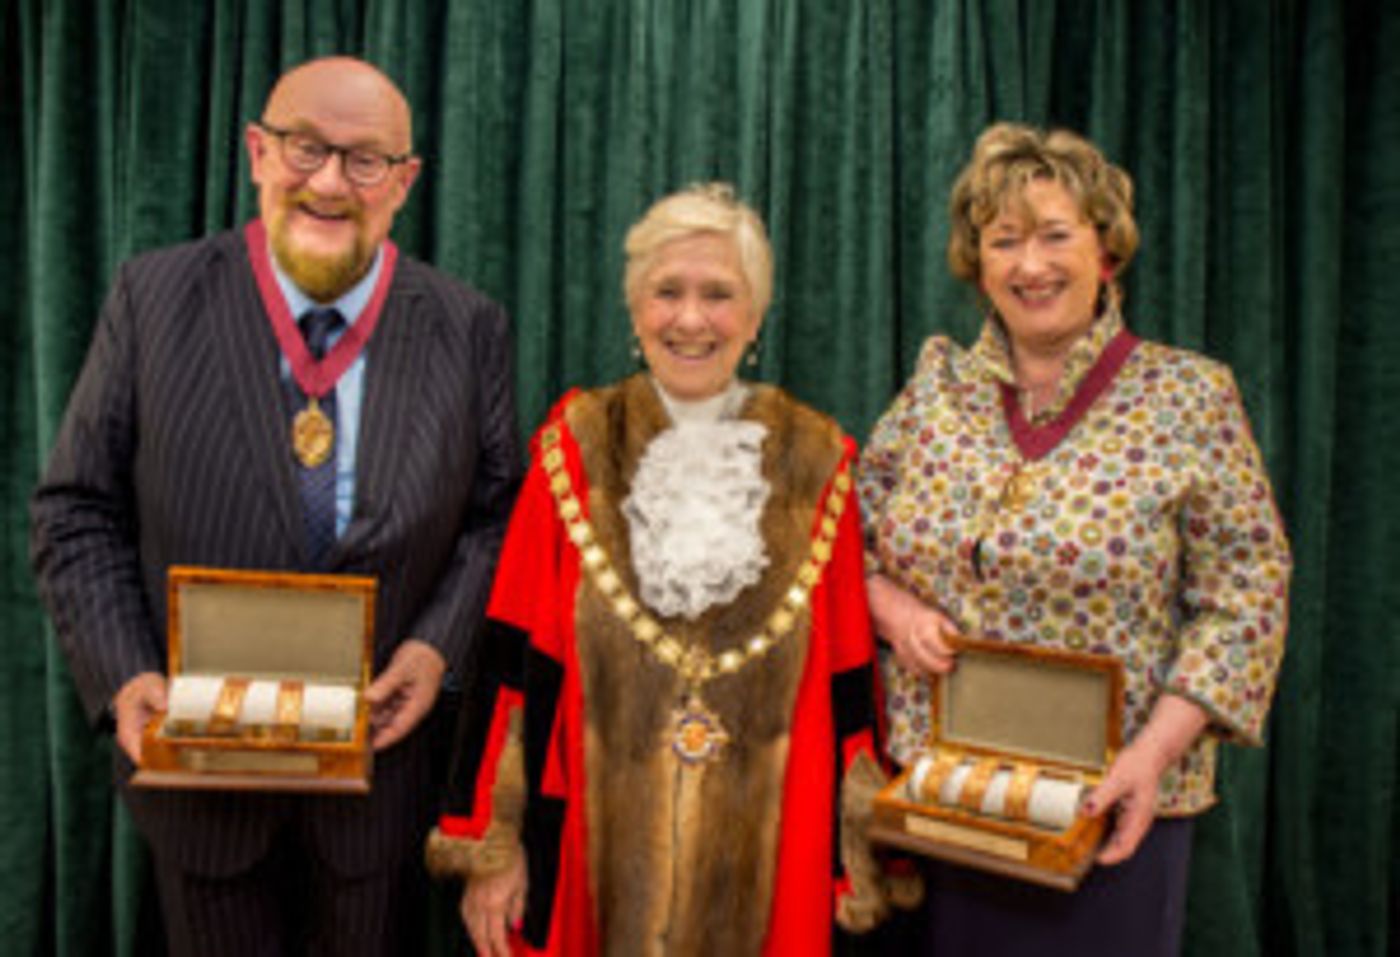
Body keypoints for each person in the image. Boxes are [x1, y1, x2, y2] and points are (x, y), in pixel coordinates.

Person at [30, 56, 522, 956]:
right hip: (200, 777)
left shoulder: (467, 326)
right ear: (258, 151)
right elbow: (76, 510)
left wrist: (435, 648)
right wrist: (127, 675)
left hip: (380, 777)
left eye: (365, 160)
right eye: (305, 148)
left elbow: (498, 518)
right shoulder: (153, 298)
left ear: (405, 181)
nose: (329, 183)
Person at [425, 183, 911, 956]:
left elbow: (849, 674)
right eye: (667, 292)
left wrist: (852, 859)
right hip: (589, 850)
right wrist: (495, 842)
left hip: (775, 853)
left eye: (718, 294)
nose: (690, 319)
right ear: (634, 309)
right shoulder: (573, 449)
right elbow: (512, 660)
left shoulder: (819, 462)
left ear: (754, 317)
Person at [857, 122, 1291, 955]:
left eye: (1055, 235)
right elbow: (849, 543)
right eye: (1004, 241)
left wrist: (1152, 755)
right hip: (942, 799)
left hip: (1115, 799)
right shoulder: (937, 388)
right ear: (978, 264)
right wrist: (896, 612)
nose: (1030, 265)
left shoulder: (1188, 396)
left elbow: (1247, 593)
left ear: (1108, 251)